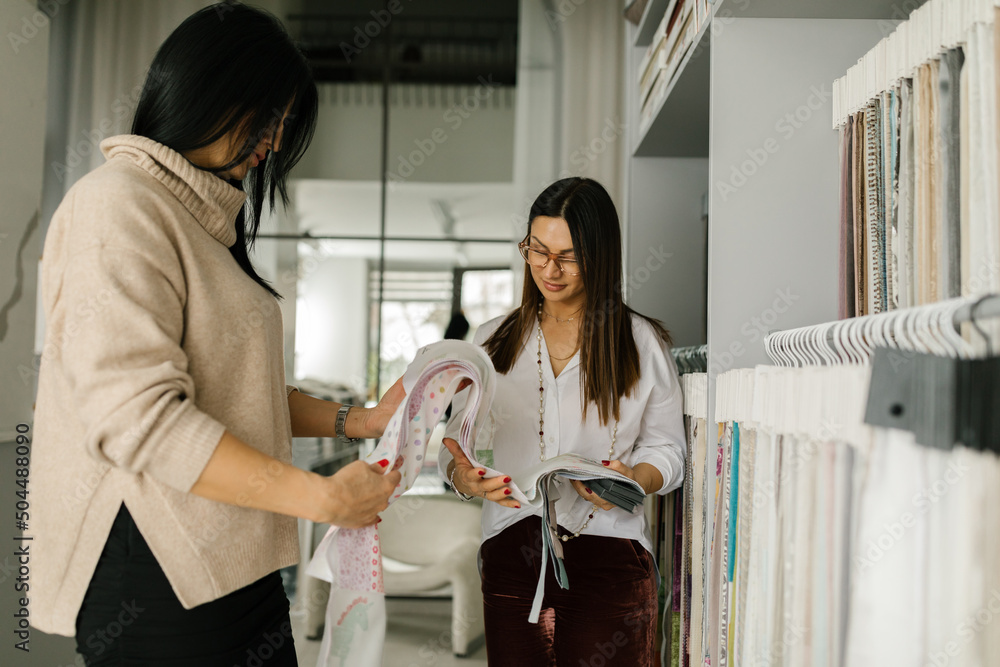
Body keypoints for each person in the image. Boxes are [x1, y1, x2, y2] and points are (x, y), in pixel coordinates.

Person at [31, 5, 402, 664]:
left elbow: (239, 391)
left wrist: (362, 420)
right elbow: (141, 419)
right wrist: (319, 496)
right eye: (269, 117)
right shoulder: (117, 204)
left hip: (236, 559)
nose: (277, 142)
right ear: (208, 90)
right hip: (160, 569)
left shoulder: (202, 219)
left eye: (285, 124)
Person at [439, 177, 685, 666]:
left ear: (601, 255)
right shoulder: (491, 343)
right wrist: (463, 476)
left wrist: (632, 477)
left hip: (609, 551)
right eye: (537, 250)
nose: (549, 270)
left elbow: (668, 451)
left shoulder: (639, 343)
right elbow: (458, 443)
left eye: (568, 256)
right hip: (512, 552)